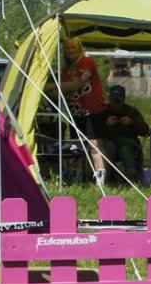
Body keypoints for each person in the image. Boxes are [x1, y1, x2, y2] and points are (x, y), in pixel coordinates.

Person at [45, 36, 108, 184]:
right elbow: (58, 92)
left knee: (95, 146)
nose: (70, 50)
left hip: (94, 111)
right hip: (76, 113)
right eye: (67, 47)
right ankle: (77, 177)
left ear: (79, 48)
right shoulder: (65, 70)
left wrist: (52, 86)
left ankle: (101, 178)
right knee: (77, 147)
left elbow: (76, 85)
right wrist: (54, 88)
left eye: (73, 47)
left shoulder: (87, 63)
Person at [102, 85, 150, 182]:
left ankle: (131, 175)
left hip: (129, 142)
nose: (116, 104)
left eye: (118, 102)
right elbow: (93, 130)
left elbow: (146, 131)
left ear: (124, 100)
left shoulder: (132, 111)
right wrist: (105, 123)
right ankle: (106, 175)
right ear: (109, 99)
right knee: (110, 146)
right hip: (109, 141)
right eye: (113, 101)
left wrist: (132, 122)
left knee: (125, 148)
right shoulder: (103, 111)